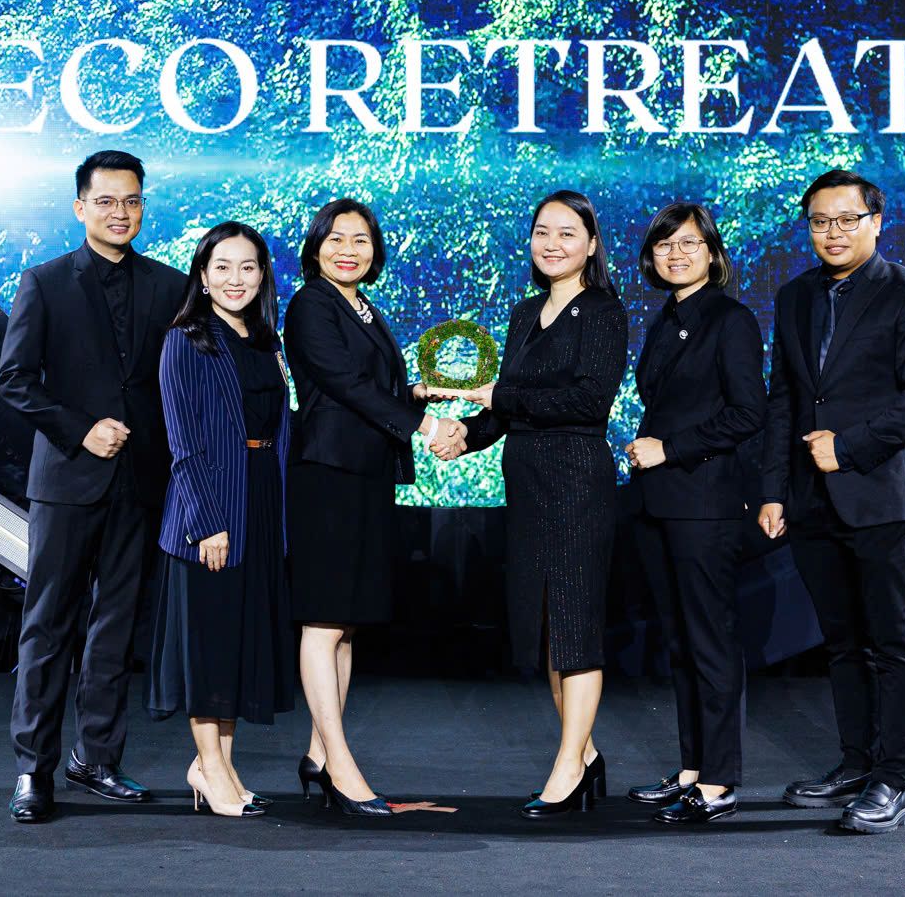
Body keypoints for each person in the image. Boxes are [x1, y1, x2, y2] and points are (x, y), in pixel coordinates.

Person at [757, 169, 905, 835]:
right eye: (820, 220)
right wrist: (774, 490)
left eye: (846, 219)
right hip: (812, 501)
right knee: (842, 644)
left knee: (895, 641)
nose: (832, 232)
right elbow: (785, 399)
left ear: (876, 221)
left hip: (885, 497)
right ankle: (855, 763)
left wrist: (849, 446)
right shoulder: (794, 296)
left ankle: (892, 781)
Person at [0, 151, 186, 823]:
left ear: (143, 206)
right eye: (106, 201)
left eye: (131, 200)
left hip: (141, 483)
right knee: (48, 625)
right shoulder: (45, 282)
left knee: (116, 628)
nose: (120, 212)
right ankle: (33, 768)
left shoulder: (170, 285)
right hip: (66, 481)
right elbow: (14, 380)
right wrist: (82, 430)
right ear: (81, 207)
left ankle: (96, 758)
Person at [430, 190, 628, 817]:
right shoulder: (524, 313)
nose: (553, 244)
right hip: (528, 485)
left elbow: (587, 403)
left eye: (568, 233)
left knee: (575, 624)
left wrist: (500, 398)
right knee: (549, 626)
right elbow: (505, 409)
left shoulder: (603, 312)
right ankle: (584, 753)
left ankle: (568, 767)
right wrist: (465, 436)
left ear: (591, 245)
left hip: (576, 482)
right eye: (543, 231)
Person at [284, 199, 462, 816]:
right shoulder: (311, 304)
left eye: (361, 240)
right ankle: (340, 766)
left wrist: (417, 393)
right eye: (336, 238)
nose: (348, 250)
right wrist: (425, 424)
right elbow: (344, 385)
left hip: (364, 474)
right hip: (327, 475)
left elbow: (371, 386)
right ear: (315, 246)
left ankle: (317, 755)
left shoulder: (360, 305)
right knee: (323, 621)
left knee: (346, 623)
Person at [622, 202, 766, 825]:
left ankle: (719, 780)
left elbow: (749, 413)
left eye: (688, 244)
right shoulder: (667, 318)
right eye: (664, 245)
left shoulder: (731, 320)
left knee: (710, 642)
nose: (675, 254)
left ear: (712, 253)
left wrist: (669, 448)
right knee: (679, 641)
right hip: (659, 503)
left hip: (704, 504)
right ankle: (691, 770)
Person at [147, 221, 296, 818]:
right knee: (209, 643)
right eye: (223, 267)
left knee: (235, 642)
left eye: (248, 267)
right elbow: (183, 443)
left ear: (262, 276)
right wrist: (208, 520)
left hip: (260, 499)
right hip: (210, 508)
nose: (236, 279)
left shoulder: (265, 341)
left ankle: (220, 768)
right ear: (203, 277)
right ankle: (209, 766)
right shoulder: (186, 340)